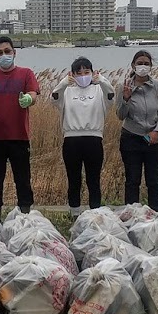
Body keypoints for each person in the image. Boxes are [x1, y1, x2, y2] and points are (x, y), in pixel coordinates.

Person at [0, 36, 40, 217]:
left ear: (14, 53)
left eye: (7, 51)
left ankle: (25, 214)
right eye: (0, 53)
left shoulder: (26, 73)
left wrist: (29, 99)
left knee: (22, 179)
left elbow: (33, 93)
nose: (4, 55)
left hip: (19, 136)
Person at [51, 56, 116, 217]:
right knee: (74, 180)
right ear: (72, 74)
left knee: (93, 180)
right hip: (71, 140)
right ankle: (74, 213)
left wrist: (100, 79)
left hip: (94, 138)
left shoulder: (99, 90)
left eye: (86, 72)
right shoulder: (68, 92)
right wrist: (64, 82)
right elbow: (54, 97)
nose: (83, 75)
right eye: (78, 73)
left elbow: (111, 95)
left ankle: (95, 213)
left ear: (93, 72)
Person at [115, 50, 158, 211]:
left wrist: (157, 131)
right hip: (131, 137)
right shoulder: (124, 86)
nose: (143, 66)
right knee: (132, 180)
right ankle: (132, 215)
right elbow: (120, 115)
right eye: (140, 63)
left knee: (154, 181)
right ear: (133, 65)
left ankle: (156, 214)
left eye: (146, 63)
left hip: (154, 139)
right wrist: (126, 99)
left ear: (151, 66)